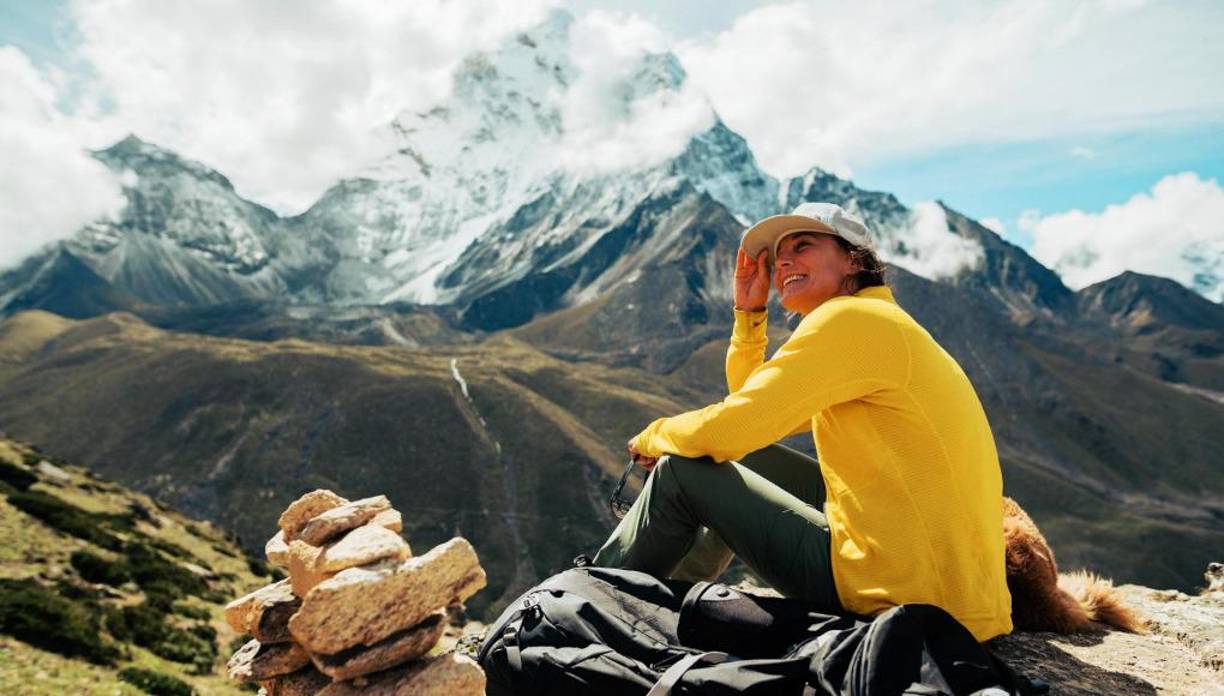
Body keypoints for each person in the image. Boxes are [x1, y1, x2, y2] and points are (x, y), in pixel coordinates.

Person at [592, 201, 1013, 642]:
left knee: (681, 472)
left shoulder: (849, 320)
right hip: (961, 601)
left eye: (803, 246)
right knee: (744, 457)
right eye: (778, 257)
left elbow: (734, 426)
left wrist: (656, 436)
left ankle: (596, 604)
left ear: (854, 259)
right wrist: (749, 317)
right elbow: (754, 407)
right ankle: (671, 598)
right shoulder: (881, 321)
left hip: (900, 596)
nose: (784, 262)